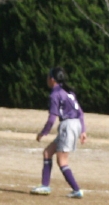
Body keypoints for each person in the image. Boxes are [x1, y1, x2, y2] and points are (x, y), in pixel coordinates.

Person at [31, 68, 86, 198]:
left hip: (68, 126)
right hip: (75, 124)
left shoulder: (55, 94)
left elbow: (52, 118)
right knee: (47, 152)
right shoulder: (69, 91)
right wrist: (83, 130)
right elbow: (80, 112)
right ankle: (45, 185)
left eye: (47, 77)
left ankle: (77, 190)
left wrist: (43, 133)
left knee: (62, 161)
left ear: (52, 79)